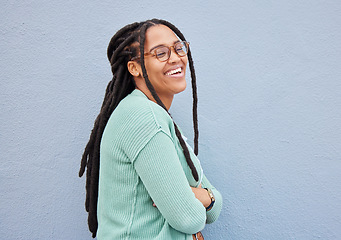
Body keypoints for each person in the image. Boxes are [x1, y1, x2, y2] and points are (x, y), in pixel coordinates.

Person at [79, 19, 222, 240]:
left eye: (178, 47)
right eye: (161, 53)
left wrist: (206, 198)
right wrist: (205, 199)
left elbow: (215, 209)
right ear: (134, 68)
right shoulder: (144, 118)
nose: (175, 58)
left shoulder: (157, 117)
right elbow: (189, 218)